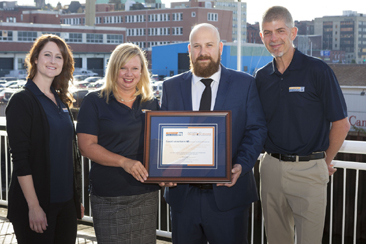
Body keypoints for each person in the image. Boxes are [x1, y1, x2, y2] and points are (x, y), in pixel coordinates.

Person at [160, 23, 267, 244]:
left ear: (220, 48)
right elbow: (163, 135)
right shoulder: (171, 87)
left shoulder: (244, 84)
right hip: (183, 198)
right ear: (189, 50)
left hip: (229, 196)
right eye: (197, 46)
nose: (203, 52)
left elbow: (256, 130)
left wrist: (241, 165)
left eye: (209, 45)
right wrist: (162, 170)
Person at [255, 6, 350, 244]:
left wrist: (323, 162)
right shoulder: (260, 77)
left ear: (293, 32)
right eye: (267, 32)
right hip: (271, 169)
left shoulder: (318, 70)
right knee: (277, 240)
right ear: (261, 37)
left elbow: (341, 123)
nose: (274, 38)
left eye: (280, 31)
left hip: (309, 172)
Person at [76, 43, 160, 243]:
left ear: (142, 72)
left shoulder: (150, 102)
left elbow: (160, 144)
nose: (128, 74)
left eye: (134, 68)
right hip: (109, 196)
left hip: (146, 194)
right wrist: (124, 162)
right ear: (114, 69)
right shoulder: (94, 101)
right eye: (123, 67)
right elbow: (86, 146)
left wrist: (168, 171)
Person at [6, 34, 83, 244]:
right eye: (47, 54)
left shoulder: (60, 101)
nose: (52, 61)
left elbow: (69, 153)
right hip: (38, 205)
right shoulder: (22, 101)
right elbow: (20, 160)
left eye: (58, 57)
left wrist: (75, 199)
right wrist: (33, 206)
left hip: (66, 204)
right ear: (35, 59)